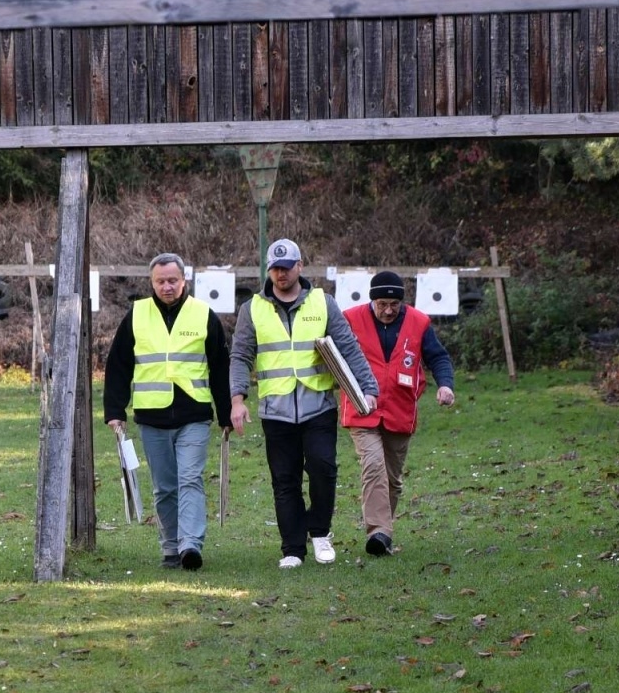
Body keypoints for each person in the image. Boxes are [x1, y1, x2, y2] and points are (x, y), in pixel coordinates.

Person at [229, 238, 378, 569]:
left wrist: (368, 387)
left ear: (300, 267)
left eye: (286, 267)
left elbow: (349, 346)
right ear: (269, 270)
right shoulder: (251, 309)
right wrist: (237, 399)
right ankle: (292, 549)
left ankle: (320, 532)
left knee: (324, 470)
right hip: (276, 410)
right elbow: (240, 356)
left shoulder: (323, 303)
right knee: (285, 480)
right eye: (275, 268)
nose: (281, 274)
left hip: (318, 406)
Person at [104, 252, 232, 571]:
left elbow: (220, 368)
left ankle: (190, 545)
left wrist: (226, 412)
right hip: (152, 417)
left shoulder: (204, 315)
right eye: (160, 281)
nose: (167, 287)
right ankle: (170, 547)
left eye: (172, 280)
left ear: (184, 280)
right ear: (152, 282)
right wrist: (114, 410)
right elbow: (118, 365)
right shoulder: (136, 314)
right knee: (164, 486)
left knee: (190, 478)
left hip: (194, 415)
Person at [341, 270, 456, 556]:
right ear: (372, 301)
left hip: (400, 410)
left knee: (392, 478)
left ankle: (382, 533)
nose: (389, 310)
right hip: (362, 408)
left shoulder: (419, 323)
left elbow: (438, 357)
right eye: (382, 304)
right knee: (373, 466)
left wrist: (446, 385)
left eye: (395, 305)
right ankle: (378, 531)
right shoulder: (349, 319)